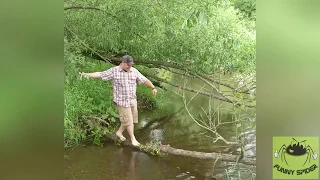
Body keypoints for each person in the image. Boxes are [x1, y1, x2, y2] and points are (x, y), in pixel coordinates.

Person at [79, 55, 157, 146]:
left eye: (131, 65)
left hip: (132, 100)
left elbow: (144, 80)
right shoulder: (114, 71)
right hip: (122, 102)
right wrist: (86, 74)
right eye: (128, 65)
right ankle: (133, 138)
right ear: (122, 63)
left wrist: (153, 87)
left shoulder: (134, 71)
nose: (130, 66)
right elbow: (100, 74)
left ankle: (119, 132)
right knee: (129, 121)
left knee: (130, 119)